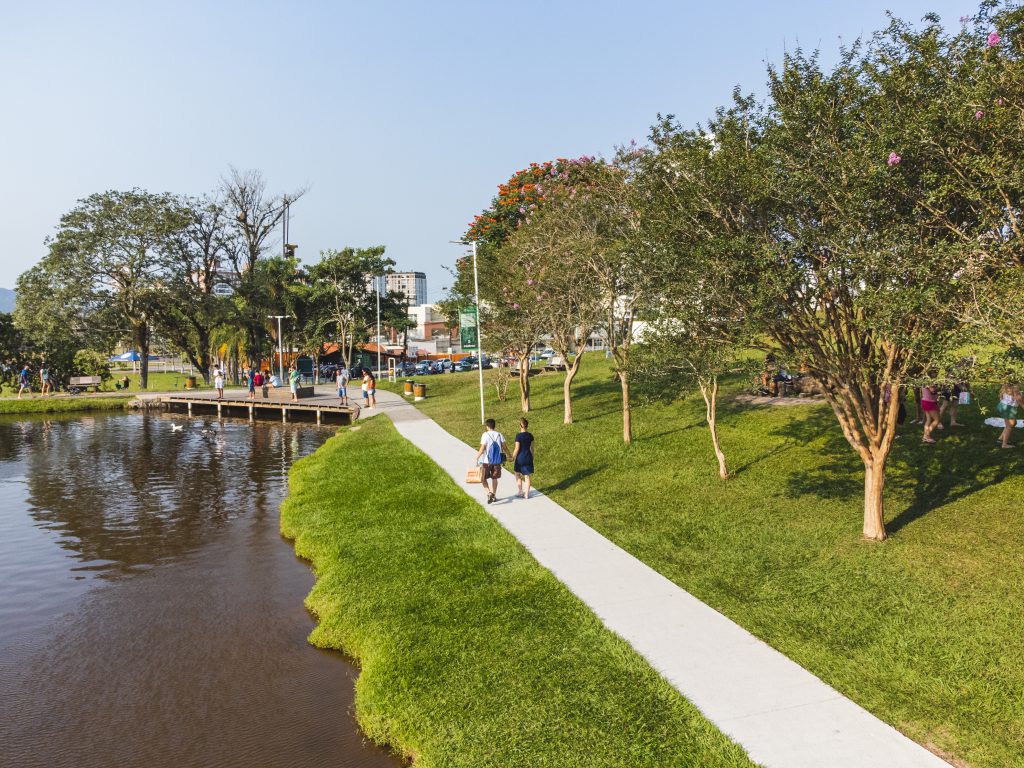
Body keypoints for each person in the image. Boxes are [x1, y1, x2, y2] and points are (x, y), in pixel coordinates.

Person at [474, 418, 507, 504]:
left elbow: (482, 448)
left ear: (487, 426)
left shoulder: (485, 435)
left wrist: (477, 457)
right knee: (494, 478)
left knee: (483, 478)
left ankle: (488, 493)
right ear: (494, 426)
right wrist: (510, 456)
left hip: (486, 461)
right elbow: (505, 447)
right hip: (497, 461)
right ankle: (494, 495)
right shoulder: (499, 435)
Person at [511, 417, 535, 499]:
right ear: (527, 426)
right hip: (528, 457)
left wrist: (512, 457)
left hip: (520, 458)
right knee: (527, 476)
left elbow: (517, 448)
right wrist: (532, 456)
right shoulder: (530, 436)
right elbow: (532, 448)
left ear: (520, 426)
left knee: (517, 474)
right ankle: (527, 494)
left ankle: (520, 491)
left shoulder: (518, 436)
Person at [996, 382, 1023, 449]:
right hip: (1009, 409)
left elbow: (1000, 397)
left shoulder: (1005, 386)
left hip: (1002, 406)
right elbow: (1021, 403)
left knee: (1013, 423)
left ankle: (1000, 439)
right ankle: (1004, 445)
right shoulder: (1016, 391)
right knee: (1009, 426)